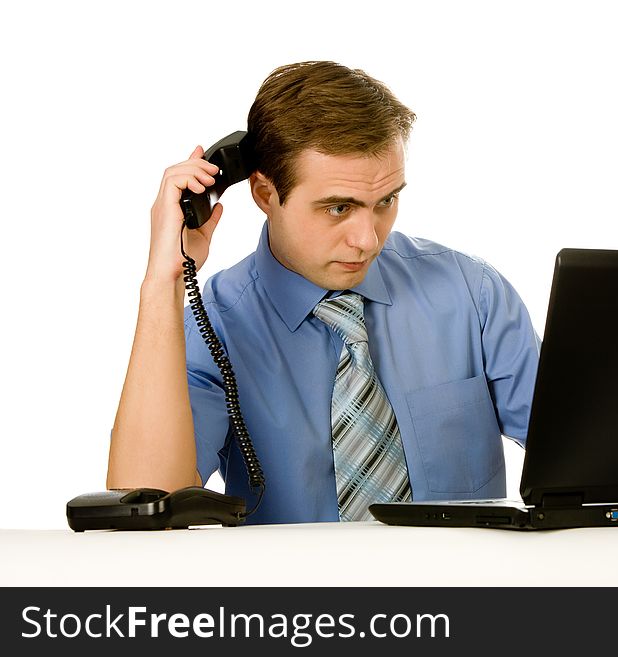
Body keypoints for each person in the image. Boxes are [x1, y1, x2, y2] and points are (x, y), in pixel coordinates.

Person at [107, 61, 540, 524]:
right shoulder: (213, 322)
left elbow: (585, 457)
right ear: (264, 194)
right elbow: (146, 508)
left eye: (386, 201)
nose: (368, 240)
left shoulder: (471, 293)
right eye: (338, 207)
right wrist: (164, 283)